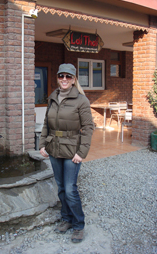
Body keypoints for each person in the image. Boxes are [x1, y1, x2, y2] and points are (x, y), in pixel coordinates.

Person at [39, 63, 94, 243]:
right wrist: (42, 144)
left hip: (72, 150)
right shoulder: (53, 97)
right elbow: (46, 123)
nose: (64, 79)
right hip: (54, 147)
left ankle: (79, 225)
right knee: (61, 187)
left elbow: (87, 128)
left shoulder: (81, 100)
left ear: (73, 79)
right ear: (57, 77)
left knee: (70, 189)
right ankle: (66, 219)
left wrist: (82, 152)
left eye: (68, 76)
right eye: (61, 76)